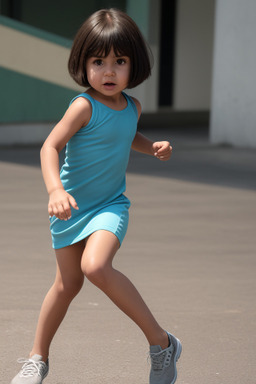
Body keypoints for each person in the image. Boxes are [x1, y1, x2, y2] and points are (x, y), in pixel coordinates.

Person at [10, 8, 182, 384]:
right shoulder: (83, 106)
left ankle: (161, 343)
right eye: (98, 62)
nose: (109, 71)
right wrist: (55, 189)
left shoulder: (132, 107)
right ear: (82, 64)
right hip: (69, 208)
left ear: (133, 65)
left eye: (119, 62)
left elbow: (126, 135)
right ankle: (37, 359)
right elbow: (50, 147)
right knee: (67, 284)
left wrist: (151, 147)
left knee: (96, 267)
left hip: (110, 205)